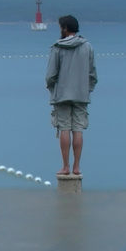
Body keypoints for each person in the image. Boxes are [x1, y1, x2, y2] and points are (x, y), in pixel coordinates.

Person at [45, 15, 97, 176]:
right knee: (78, 129)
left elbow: (50, 75)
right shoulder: (87, 46)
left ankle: (65, 167)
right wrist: (86, 89)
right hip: (81, 94)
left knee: (64, 129)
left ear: (65, 28)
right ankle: (76, 167)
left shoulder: (57, 47)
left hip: (62, 95)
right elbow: (93, 74)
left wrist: (52, 89)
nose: (60, 29)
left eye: (60, 26)